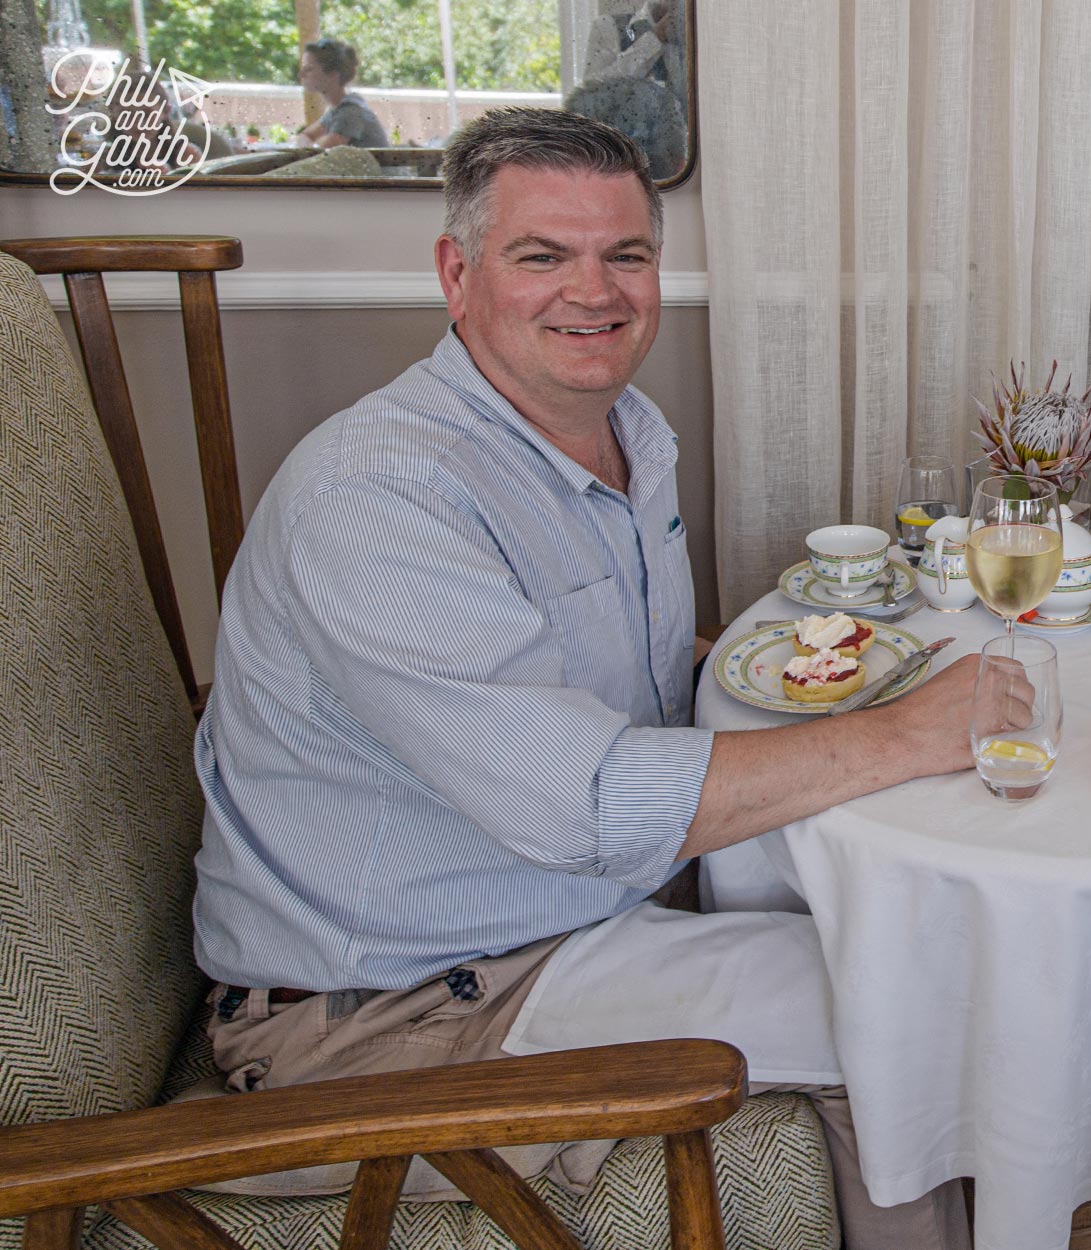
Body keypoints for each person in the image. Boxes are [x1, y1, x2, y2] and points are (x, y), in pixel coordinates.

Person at [192, 107, 984, 1250]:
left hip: (564, 913)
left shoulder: (624, 430)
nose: (595, 291)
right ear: (457, 276)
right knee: (908, 998)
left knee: (910, 918)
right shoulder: (378, 494)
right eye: (541, 255)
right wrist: (909, 733)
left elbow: (627, 696)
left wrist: (844, 686)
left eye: (627, 254)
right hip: (397, 1007)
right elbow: (590, 800)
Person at [296, 38, 387, 149]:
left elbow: (322, 151)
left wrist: (309, 146)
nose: (301, 75)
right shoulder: (336, 110)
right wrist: (309, 145)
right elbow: (305, 135)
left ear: (333, 75)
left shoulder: (350, 111)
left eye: (309, 69)